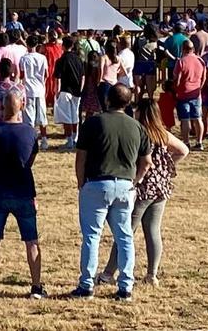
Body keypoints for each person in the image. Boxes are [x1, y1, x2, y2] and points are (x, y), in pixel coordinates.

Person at [71, 84, 153, 301]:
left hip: (97, 183)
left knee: (92, 236)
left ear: (107, 100)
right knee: (124, 236)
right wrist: (135, 181)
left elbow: (81, 157)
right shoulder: (137, 127)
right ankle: (126, 286)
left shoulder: (94, 122)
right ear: (128, 103)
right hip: (125, 185)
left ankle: (86, 284)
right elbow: (146, 162)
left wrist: (81, 182)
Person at [97, 97, 189, 287]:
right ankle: (152, 274)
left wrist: (136, 179)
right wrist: (166, 165)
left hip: (142, 188)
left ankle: (108, 273)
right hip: (160, 188)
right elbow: (183, 150)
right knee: (153, 230)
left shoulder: (139, 132)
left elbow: (142, 162)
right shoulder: (162, 134)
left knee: (125, 231)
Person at [0, 89, 45, 300]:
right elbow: (31, 160)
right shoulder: (30, 132)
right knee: (31, 240)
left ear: (2, 107)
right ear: (22, 106)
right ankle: (36, 287)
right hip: (24, 190)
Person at [18, 36, 50, 151]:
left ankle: (31, 140)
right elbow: (46, 74)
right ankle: (44, 139)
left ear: (27, 44)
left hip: (28, 90)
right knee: (42, 116)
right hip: (40, 89)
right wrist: (43, 83)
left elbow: (21, 75)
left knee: (29, 118)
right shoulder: (42, 58)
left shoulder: (24, 59)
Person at [172, 40, 205, 151]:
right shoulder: (200, 60)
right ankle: (199, 141)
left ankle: (186, 141)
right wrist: (199, 87)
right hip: (196, 92)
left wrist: (176, 89)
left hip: (183, 93)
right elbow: (204, 77)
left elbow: (177, 78)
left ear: (183, 49)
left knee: (185, 119)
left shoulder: (181, 62)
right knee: (198, 118)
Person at [53, 37, 85, 150]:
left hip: (65, 90)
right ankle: (75, 138)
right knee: (75, 116)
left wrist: (56, 91)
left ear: (63, 46)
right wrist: (80, 89)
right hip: (77, 91)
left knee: (67, 117)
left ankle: (70, 140)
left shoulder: (61, 60)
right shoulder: (79, 59)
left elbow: (58, 78)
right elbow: (83, 76)